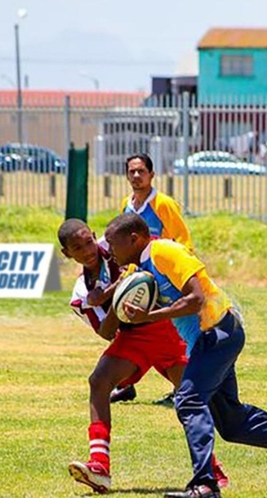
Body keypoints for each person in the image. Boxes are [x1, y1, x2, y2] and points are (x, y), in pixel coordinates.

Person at [104, 213, 267, 498]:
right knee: (233, 424)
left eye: (113, 244)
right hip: (208, 340)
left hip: (218, 331)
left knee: (188, 400)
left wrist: (150, 315)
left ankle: (205, 486)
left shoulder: (165, 251)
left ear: (134, 239)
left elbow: (196, 298)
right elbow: (111, 322)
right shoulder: (141, 265)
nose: (110, 252)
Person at [58, 219, 229, 494]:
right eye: (77, 248)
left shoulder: (117, 245)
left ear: (93, 235)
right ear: (68, 255)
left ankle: (211, 468)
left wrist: (114, 289)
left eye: (88, 241)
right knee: (99, 381)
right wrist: (116, 300)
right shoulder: (81, 292)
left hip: (166, 329)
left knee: (190, 399)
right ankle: (100, 466)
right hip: (132, 337)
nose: (87, 250)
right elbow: (105, 331)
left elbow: (148, 251)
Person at [111, 153, 194, 405]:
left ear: (152, 175)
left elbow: (183, 241)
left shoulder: (163, 204)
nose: (136, 176)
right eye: (132, 171)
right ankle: (126, 383)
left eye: (141, 171)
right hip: (139, 281)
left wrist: (176, 274)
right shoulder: (128, 204)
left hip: (163, 279)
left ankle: (185, 387)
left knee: (170, 335)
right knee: (131, 327)